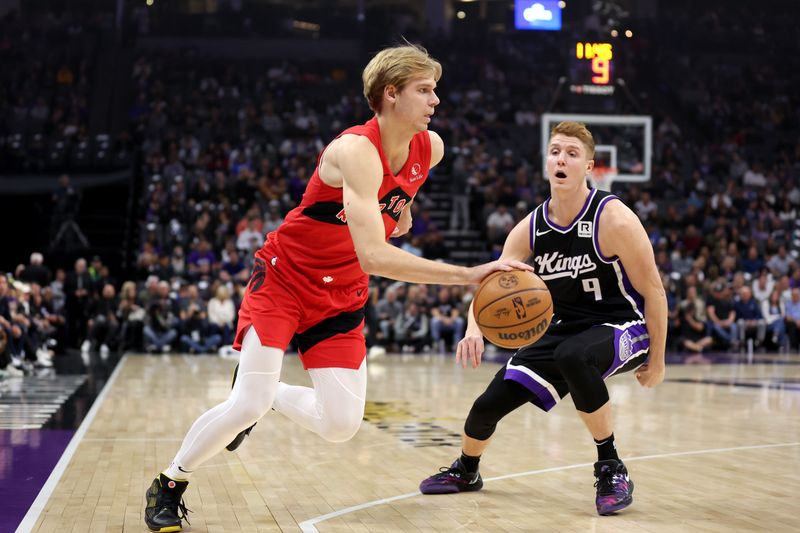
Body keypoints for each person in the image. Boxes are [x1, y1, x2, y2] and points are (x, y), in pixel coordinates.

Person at [143, 43, 530, 532]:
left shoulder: (430, 148)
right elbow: (374, 254)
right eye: (425, 90)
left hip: (341, 293)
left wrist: (400, 212)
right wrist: (466, 274)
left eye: (436, 91)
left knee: (340, 424)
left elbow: (399, 204)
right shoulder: (353, 150)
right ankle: (171, 482)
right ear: (391, 94)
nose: (436, 101)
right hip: (285, 279)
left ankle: (272, 395)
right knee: (246, 405)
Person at [418, 121, 667, 516]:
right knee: (487, 405)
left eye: (571, 153)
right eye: (555, 151)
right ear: (546, 162)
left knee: (573, 355)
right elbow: (492, 285)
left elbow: (654, 290)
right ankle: (467, 469)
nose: (561, 159)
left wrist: (658, 361)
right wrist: (472, 329)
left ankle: (610, 467)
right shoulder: (530, 227)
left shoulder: (613, 218)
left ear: (589, 166)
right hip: (564, 329)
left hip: (624, 325)